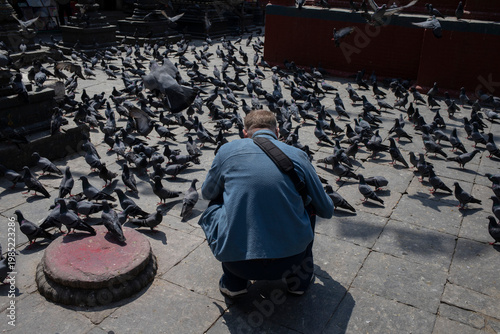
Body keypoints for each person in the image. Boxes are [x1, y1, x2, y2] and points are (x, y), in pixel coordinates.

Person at [199, 109, 334, 298]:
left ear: (244, 133)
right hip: (291, 261)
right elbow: (327, 210)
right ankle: (299, 282)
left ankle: (234, 283)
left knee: (217, 200)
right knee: (309, 204)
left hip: (237, 264)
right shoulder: (298, 155)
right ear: (277, 131)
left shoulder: (227, 150)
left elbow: (206, 193)